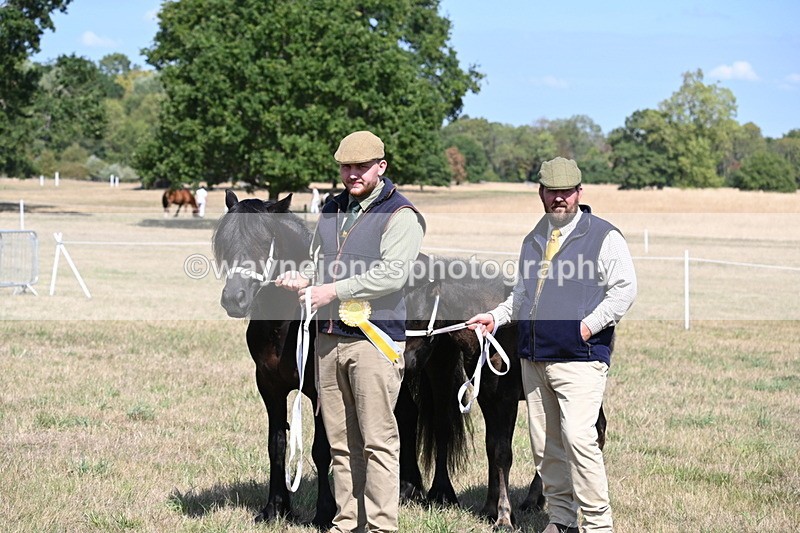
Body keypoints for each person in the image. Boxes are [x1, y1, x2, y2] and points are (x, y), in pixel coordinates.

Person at [468, 157, 637, 533]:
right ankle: (561, 521)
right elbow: (522, 295)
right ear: (541, 193)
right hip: (533, 358)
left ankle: (597, 525)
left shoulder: (603, 236)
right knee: (545, 449)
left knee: (579, 441)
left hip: (579, 358)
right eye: (552, 192)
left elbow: (625, 289)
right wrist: (495, 317)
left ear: (579, 192)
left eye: (566, 192)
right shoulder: (533, 239)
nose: (559, 199)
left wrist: (588, 328)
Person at [277, 130, 425, 533]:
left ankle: (379, 527)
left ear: (382, 167)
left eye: (361, 166)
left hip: (373, 343)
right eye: (346, 166)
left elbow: (393, 274)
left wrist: (332, 290)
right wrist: (303, 277)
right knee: (340, 444)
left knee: (377, 442)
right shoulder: (332, 207)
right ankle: (347, 523)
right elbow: (318, 261)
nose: (352, 174)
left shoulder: (401, 215)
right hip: (328, 340)